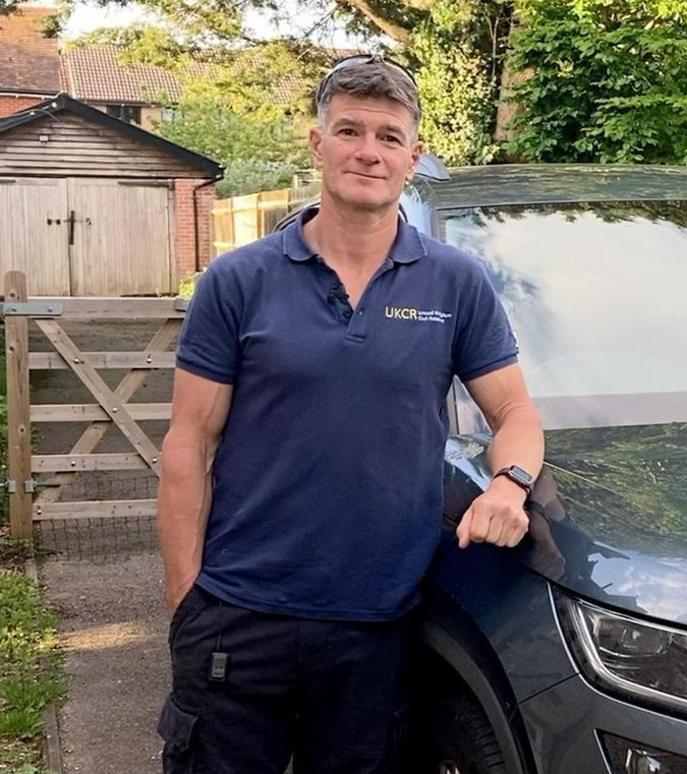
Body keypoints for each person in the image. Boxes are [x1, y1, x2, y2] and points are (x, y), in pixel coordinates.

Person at [155, 53, 544, 773]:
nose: (369, 151)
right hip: (240, 614)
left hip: (379, 623)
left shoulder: (455, 283)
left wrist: (509, 482)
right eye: (350, 131)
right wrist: (186, 605)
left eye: (389, 137)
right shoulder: (239, 280)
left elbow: (515, 410)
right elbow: (189, 444)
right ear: (317, 143)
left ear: (413, 157)